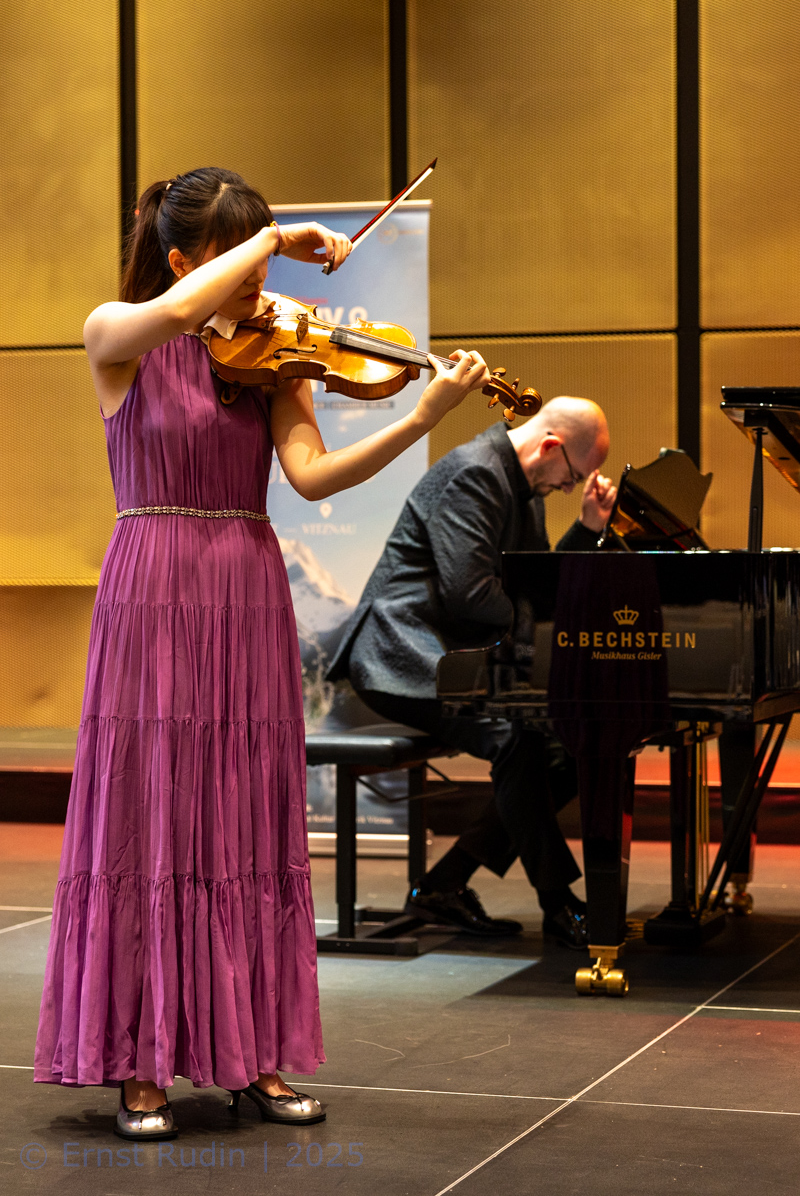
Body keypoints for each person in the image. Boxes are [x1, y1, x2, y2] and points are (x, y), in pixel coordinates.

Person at [32, 167, 492, 1142]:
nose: (259, 284)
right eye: (236, 257)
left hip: (245, 584)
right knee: (151, 817)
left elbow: (312, 475)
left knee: (243, 818)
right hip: (153, 583)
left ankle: (253, 1052)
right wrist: (276, 239)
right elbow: (176, 313)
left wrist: (419, 419)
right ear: (181, 260)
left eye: (261, 257)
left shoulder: (272, 353)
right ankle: (141, 1059)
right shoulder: (116, 332)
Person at [327, 397, 617, 947]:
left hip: (447, 653)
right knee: (515, 735)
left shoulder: (524, 486)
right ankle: (558, 901)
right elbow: (470, 592)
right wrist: (540, 628)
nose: (568, 488)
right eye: (572, 477)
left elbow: (534, 583)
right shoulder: (475, 472)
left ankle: (443, 884)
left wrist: (586, 529)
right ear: (550, 446)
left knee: (564, 749)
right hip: (400, 654)